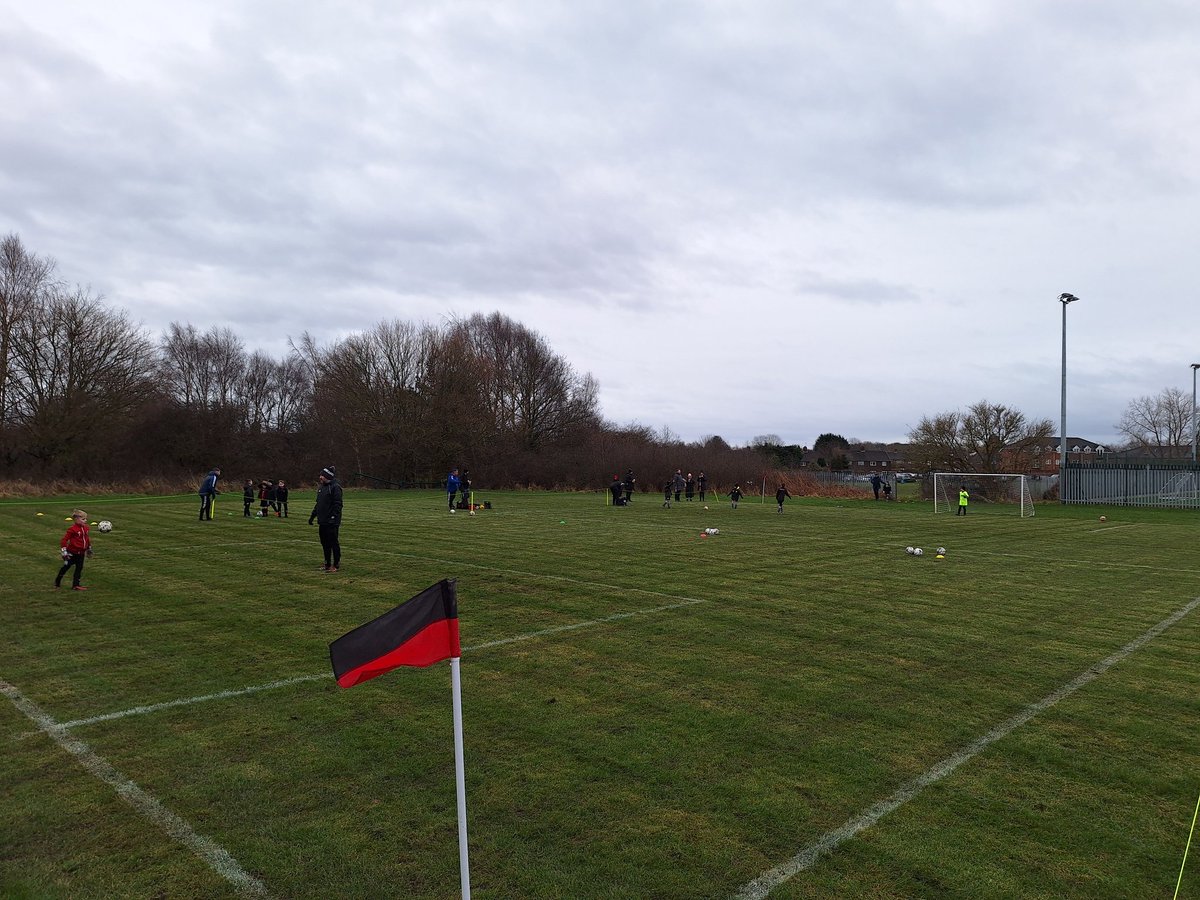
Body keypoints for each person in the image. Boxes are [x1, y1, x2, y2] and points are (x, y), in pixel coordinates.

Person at [309, 466, 344, 572]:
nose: (320, 477)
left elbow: (338, 505)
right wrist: (312, 516)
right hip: (322, 521)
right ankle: (327, 563)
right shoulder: (321, 488)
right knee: (324, 543)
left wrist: (333, 517)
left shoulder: (335, 487)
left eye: (322, 475)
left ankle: (336, 565)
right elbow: (318, 504)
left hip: (332, 522)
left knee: (333, 543)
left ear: (327, 476)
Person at [55, 509, 93, 591]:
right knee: (66, 567)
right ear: (76, 519)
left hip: (81, 553)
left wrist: (89, 548)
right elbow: (64, 540)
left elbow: (86, 539)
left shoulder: (86, 528)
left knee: (79, 568)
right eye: (83, 519)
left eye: (85, 519)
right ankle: (57, 581)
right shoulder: (72, 529)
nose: (85, 520)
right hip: (72, 553)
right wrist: (64, 551)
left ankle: (76, 585)